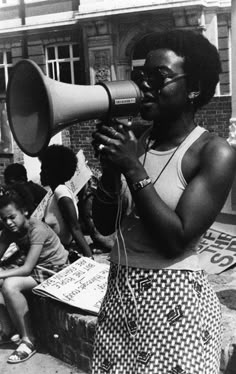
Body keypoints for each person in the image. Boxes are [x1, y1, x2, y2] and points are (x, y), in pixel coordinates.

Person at [91, 29, 236, 374]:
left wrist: (132, 167)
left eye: (159, 77)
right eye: (139, 77)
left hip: (175, 304)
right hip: (121, 298)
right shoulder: (136, 142)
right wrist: (111, 171)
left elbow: (176, 239)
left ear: (195, 88)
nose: (144, 86)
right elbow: (103, 224)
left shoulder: (213, 152)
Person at [0, 184, 68, 363]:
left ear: (24, 212)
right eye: (3, 219)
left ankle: (28, 340)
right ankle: (7, 331)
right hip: (38, 268)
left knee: (9, 285)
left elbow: (27, 269)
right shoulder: (9, 231)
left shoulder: (37, 229)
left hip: (54, 270)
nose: (8, 222)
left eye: (12, 217)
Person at [38, 144, 93, 260]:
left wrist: (90, 258)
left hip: (57, 254)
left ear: (51, 172)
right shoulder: (54, 194)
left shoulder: (61, 192)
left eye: (42, 169)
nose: (40, 173)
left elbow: (75, 228)